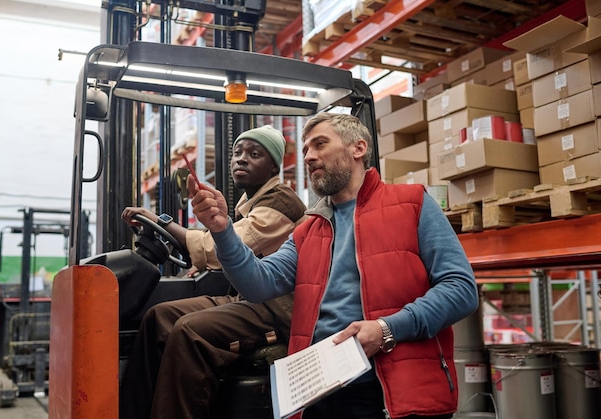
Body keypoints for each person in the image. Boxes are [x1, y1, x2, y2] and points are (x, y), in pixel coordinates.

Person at [190, 112, 479, 419]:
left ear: (358, 148)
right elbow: (259, 283)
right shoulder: (308, 230)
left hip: (390, 392)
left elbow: (461, 290)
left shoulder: (413, 203)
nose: (309, 156)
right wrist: (222, 232)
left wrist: (386, 329)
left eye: (320, 144)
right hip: (319, 390)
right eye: (305, 150)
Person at [119, 125, 307, 419]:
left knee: (189, 331)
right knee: (158, 316)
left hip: (276, 308)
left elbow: (215, 246)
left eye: (254, 154)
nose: (241, 159)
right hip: (248, 299)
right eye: (237, 153)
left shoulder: (280, 204)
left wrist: (162, 222)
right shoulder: (251, 203)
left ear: (273, 165)